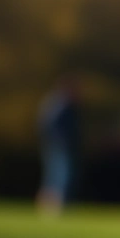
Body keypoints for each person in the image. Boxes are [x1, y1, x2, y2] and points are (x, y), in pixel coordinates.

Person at [37, 77, 80, 213]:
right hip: (58, 146)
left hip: (56, 145)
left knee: (55, 174)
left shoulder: (57, 103)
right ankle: (53, 207)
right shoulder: (60, 105)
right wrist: (59, 141)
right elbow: (48, 125)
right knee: (60, 175)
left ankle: (51, 206)